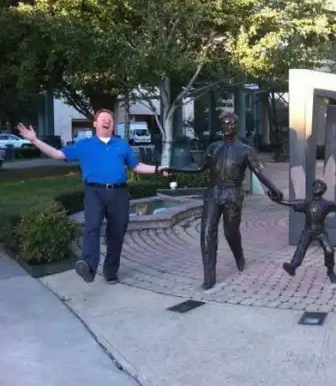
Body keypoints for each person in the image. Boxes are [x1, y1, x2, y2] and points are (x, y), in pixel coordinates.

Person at [17, 109, 166, 284]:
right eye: (103, 119)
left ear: (113, 125)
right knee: (92, 226)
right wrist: (34, 140)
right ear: (95, 124)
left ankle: (111, 272)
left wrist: (157, 169)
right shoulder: (84, 145)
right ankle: (88, 265)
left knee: (117, 233)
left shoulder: (122, 145)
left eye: (110, 119)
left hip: (119, 193)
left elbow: (136, 166)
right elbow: (58, 154)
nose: (107, 121)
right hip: (94, 192)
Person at [163, 111, 283, 290]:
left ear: (237, 126)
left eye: (231, 124)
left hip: (233, 194)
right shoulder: (214, 147)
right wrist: (175, 169)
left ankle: (239, 255)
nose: (228, 127)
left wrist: (273, 188)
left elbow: (258, 172)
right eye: (225, 124)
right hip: (213, 193)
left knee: (230, 232)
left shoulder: (245, 150)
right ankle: (209, 277)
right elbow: (199, 168)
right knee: (207, 233)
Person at [268, 178, 336, 284]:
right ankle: (293, 266)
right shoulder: (307, 203)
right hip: (308, 231)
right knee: (301, 248)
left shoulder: (327, 204)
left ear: (323, 190)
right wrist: (276, 199)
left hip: (320, 232)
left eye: (319, 186)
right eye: (315, 185)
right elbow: (289, 203)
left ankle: (330, 271)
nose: (316, 187)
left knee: (329, 251)